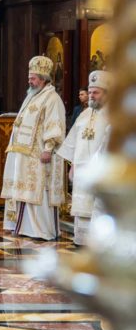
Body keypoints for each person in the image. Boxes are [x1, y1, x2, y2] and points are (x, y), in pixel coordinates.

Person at [1, 56, 67, 240]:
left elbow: (54, 125)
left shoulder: (52, 98)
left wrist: (48, 147)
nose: (30, 80)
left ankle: (40, 229)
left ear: (44, 79)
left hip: (38, 154)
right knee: (23, 190)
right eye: (30, 77)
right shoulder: (32, 96)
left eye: (34, 77)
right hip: (23, 154)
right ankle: (23, 226)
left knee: (37, 190)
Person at [57, 70, 111, 245]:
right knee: (81, 207)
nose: (91, 96)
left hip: (101, 171)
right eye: (90, 92)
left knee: (97, 208)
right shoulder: (85, 114)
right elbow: (73, 141)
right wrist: (72, 164)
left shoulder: (113, 115)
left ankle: (97, 244)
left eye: (96, 93)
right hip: (81, 170)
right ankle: (81, 241)